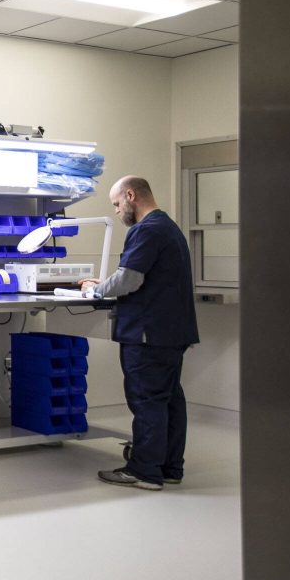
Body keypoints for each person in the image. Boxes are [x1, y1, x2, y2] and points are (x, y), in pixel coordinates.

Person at [79, 175, 199, 491]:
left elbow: (129, 280)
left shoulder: (146, 230)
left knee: (147, 400)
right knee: (169, 400)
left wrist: (95, 290)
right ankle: (170, 467)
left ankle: (145, 471)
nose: (117, 211)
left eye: (117, 204)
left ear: (131, 196)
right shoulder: (168, 227)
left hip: (148, 334)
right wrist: (107, 284)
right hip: (171, 332)